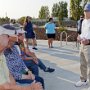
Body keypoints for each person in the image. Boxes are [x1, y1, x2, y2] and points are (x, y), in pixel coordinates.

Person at [0, 25, 43, 90]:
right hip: (18, 77)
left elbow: (21, 63)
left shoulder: (13, 48)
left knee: (39, 79)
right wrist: (27, 78)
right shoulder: (4, 53)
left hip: (21, 72)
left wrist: (28, 72)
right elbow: (12, 75)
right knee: (36, 82)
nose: (14, 42)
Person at [75, 3, 90, 88]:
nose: (85, 12)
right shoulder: (83, 21)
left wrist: (89, 41)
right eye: (84, 10)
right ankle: (83, 80)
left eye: (87, 11)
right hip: (82, 45)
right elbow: (83, 33)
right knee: (82, 63)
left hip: (89, 46)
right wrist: (79, 37)